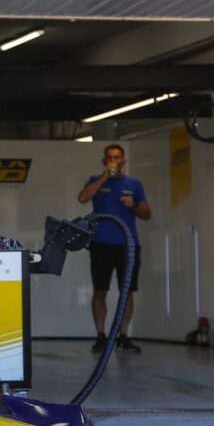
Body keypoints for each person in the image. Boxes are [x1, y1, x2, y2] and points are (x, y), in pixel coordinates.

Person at [76, 143, 150, 354]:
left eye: (117, 157)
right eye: (110, 157)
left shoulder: (134, 184)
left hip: (128, 244)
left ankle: (123, 336)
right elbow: (82, 198)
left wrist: (133, 205)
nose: (113, 161)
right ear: (104, 161)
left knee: (127, 291)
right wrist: (104, 177)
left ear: (123, 161)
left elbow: (146, 214)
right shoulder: (95, 181)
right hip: (101, 244)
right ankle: (101, 336)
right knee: (100, 290)